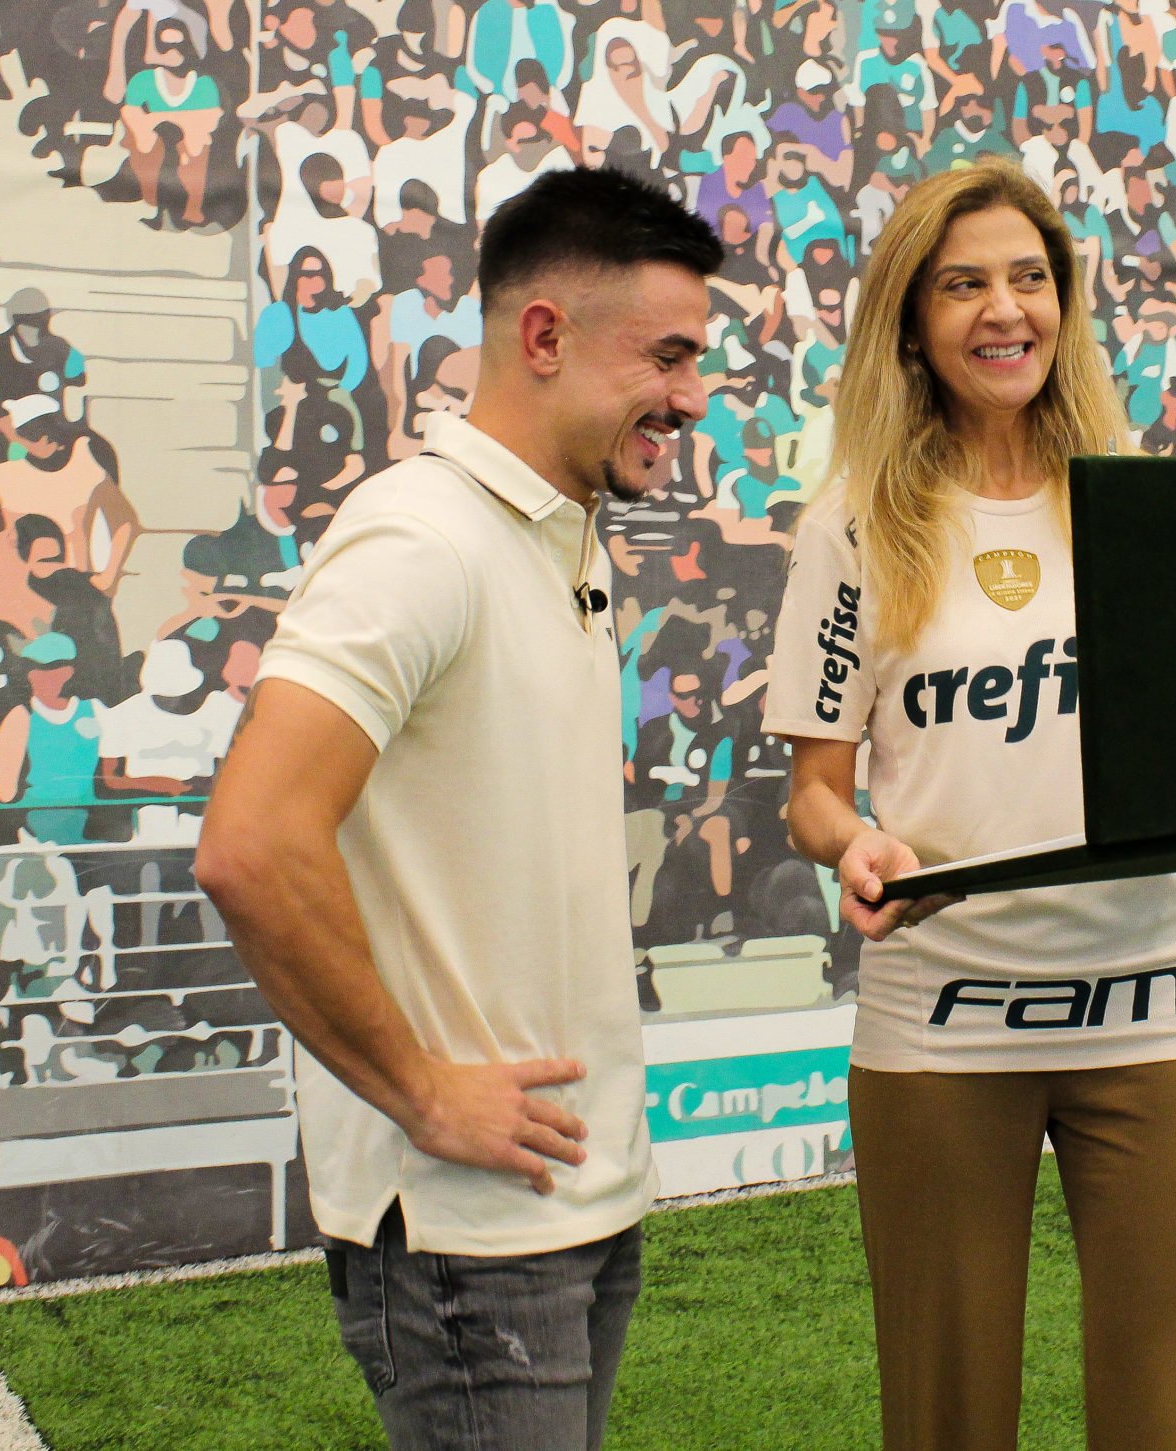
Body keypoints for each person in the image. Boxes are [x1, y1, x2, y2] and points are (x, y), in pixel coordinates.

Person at [763, 159, 1176, 1451]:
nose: (1003, 309)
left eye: (1030, 278)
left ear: (1065, 305)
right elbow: (813, 792)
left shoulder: (1142, 507)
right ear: (910, 318)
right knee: (946, 1420)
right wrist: (855, 844)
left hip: (1150, 1004)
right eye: (963, 284)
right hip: (940, 1020)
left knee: (1173, 1417)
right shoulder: (853, 526)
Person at [194, 167, 721, 1451]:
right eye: (665, 357)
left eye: (695, 359)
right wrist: (423, 1092)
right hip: (465, 1232)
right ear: (543, 336)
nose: (692, 397)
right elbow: (250, 846)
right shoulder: (422, 539)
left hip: (563, 1202)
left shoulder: (554, 531)